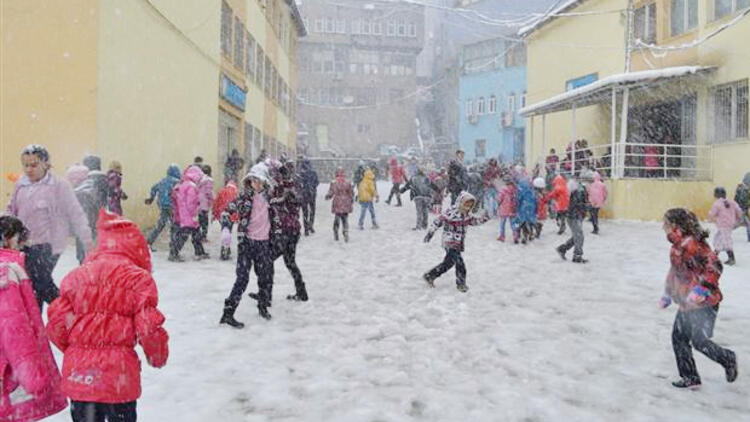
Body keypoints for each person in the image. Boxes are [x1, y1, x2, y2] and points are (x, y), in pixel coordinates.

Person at [47, 210, 169, 421]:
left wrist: (77, 350)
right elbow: (148, 327)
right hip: (118, 379)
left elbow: (57, 323)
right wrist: (157, 355)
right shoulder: (138, 280)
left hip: (81, 377)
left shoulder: (76, 277)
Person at [5, 145, 93, 308]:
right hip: (24, 244)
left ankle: (69, 312)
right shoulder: (20, 185)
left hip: (49, 244)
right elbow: (11, 209)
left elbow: (75, 212)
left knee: (40, 282)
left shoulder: (59, 185)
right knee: (31, 286)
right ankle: (36, 325)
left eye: (34, 165)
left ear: (45, 163)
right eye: (25, 165)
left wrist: (86, 237)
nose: (29, 169)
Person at [658, 208, 737, 389]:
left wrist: (703, 289)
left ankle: (728, 358)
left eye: (666, 224)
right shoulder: (677, 248)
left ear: (676, 226)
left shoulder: (693, 244)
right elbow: (676, 273)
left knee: (700, 342)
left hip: (705, 302)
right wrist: (668, 293)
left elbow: (714, 266)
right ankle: (690, 377)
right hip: (687, 303)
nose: (664, 227)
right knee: (678, 338)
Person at [0, 216, 68, 422]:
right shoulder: (14, 267)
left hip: (13, 344)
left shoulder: (21, 261)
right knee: (18, 400)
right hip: (16, 347)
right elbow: (14, 327)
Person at [220, 164, 275, 327]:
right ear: (249, 182)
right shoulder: (244, 198)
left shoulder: (270, 198)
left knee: (264, 277)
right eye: (253, 181)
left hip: (264, 243)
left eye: (259, 181)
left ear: (264, 182)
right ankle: (228, 313)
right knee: (242, 279)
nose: (256, 184)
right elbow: (227, 211)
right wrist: (225, 229)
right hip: (247, 243)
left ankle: (263, 306)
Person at [422, 192, 489, 293]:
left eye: (470, 205)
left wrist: (484, 219)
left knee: (448, 263)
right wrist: (430, 232)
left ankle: (430, 275)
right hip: (449, 241)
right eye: (466, 204)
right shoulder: (451, 212)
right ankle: (461, 284)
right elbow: (438, 221)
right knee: (460, 263)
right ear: (461, 202)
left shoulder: (466, 215)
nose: (468, 207)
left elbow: (473, 222)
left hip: (458, 242)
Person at [266, 160, 309, 302]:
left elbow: (277, 203)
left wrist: (272, 199)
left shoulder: (285, 190)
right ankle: (301, 291)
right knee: (290, 262)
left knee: (268, 259)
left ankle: (266, 294)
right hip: (293, 229)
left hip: (286, 230)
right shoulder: (294, 187)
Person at [169, 166, 209, 262]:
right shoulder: (192, 186)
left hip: (184, 214)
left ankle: (199, 252)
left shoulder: (184, 184)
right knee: (185, 235)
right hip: (189, 216)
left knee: (195, 234)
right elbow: (191, 202)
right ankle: (174, 253)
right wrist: (194, 212)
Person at [145, 164, 181, 251]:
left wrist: (151, 198)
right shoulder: (176, 182)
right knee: (175, 226)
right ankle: (173, 245)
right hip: (172, 206)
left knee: (160, 224)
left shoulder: (163, 181)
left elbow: (154, 188)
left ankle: (149, 241)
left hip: (162, 205)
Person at [556, 176, 588, 263]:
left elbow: (582, 203)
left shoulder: (579, 190)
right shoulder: (575, 192)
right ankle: (577, 256)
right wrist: (583, 207)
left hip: (575, 216)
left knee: (577, 236)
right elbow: (577, 205)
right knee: (579, 236)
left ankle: (562, 249)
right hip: (573, 217)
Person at [708, 187, 743, 266]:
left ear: (716, 194)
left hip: (723, 225)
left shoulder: (717, 203)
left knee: (725, 240)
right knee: (719, 239)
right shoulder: (732, 202)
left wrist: (710, 219)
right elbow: (739, 211)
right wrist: (737, 218)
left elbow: (712, 213)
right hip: (730, 224)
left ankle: (731, 258)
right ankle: (714, 256)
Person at [325, 167, 354, 242]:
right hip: (346, 202)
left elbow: (331, 192)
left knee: (337, 218)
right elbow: (351, 193)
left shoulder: (334, 182)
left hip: (337, 202)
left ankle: (336, 232)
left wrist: (328, 196)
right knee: (345, 219)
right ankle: (345, 231)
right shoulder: (347, 182)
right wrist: (351, 200)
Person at [213, 180, 239, 260]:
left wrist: (215, 214)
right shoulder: (236, 192)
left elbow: (216, 203)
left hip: (223, 214)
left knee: (224, 231)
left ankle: (225, 250)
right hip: (231, 216)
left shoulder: (222, 191)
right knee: (228, 232)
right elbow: (238, 205)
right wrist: (237, 217)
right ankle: (225, 250)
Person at [298, 158, 319, 236]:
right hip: (312, 194)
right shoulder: (313, 172)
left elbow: (299, 184)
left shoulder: (300, 173)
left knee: (305, 212)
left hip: (304, 195)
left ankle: (306, 229)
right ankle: (311, 225)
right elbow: (317, 182)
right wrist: (312, 187)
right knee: (312, 211)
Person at [515, 178, 538, 244]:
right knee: (530, 222)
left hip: (523, 208)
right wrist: (536, 210)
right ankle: (531, 234)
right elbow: (536, 201)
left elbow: (518, 201)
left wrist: (517, 208)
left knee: (521, 222)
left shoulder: (521, 192)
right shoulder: (532, 192)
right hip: (531, 209)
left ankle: (521, 234)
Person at [357, 166, 379, 230]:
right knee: (372, 211)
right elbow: (373, 190)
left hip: (363, 199)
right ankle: (374, 223)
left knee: (363, 211)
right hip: (368, 198)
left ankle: (360, 223)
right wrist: (376, 196)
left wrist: (359, 198)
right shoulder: (370, 182)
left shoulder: (362, 181)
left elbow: (359, 190)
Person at [198, 164, 215, 242]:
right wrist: (212, 199)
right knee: (205, 222)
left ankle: (198, 235)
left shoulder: (200, 179)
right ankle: (203, 236)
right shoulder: (209, 180)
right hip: (204, 203)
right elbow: (209, 192)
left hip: (198, 203)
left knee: (199, 220)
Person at [734, 175, 750, 242]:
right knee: (735, 224)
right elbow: (741, 200)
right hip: (741, 210)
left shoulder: (743, 190)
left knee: (748, 224)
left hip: (743, 210)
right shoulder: (742, 190)